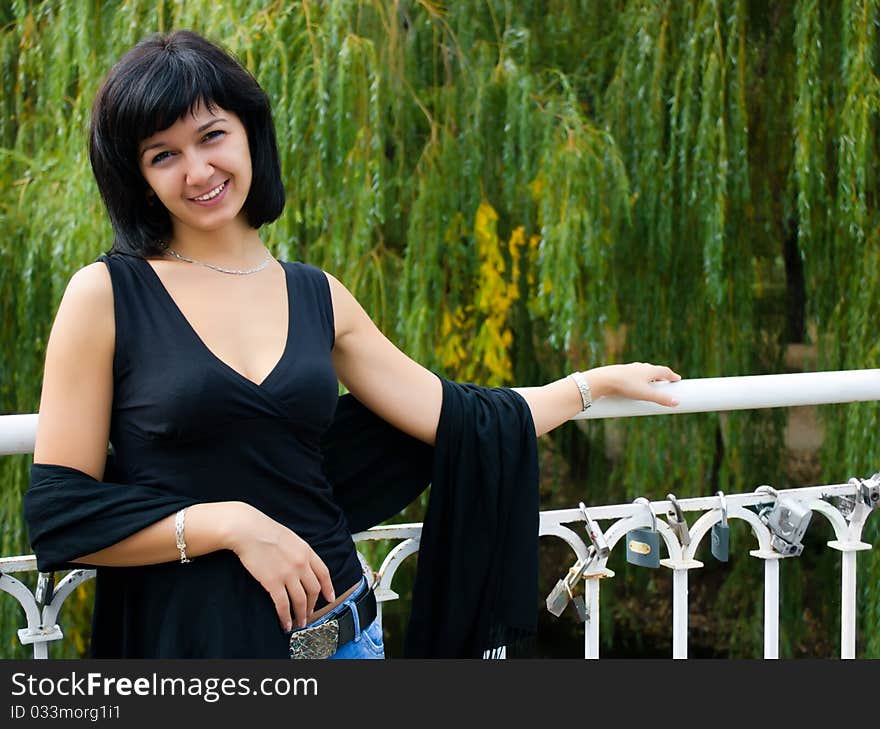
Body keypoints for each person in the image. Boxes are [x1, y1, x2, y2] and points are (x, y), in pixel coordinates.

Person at [24, 30, 681, 659]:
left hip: (343, 640)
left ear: (251, 132)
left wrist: (591, 386)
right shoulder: (107, 295)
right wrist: (230, 524)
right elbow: (63, 513)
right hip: (198, 649)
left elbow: (457, 417)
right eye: (163, 154)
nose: (198, 170)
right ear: (140, 177)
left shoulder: (318, 295)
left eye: (211, 135)